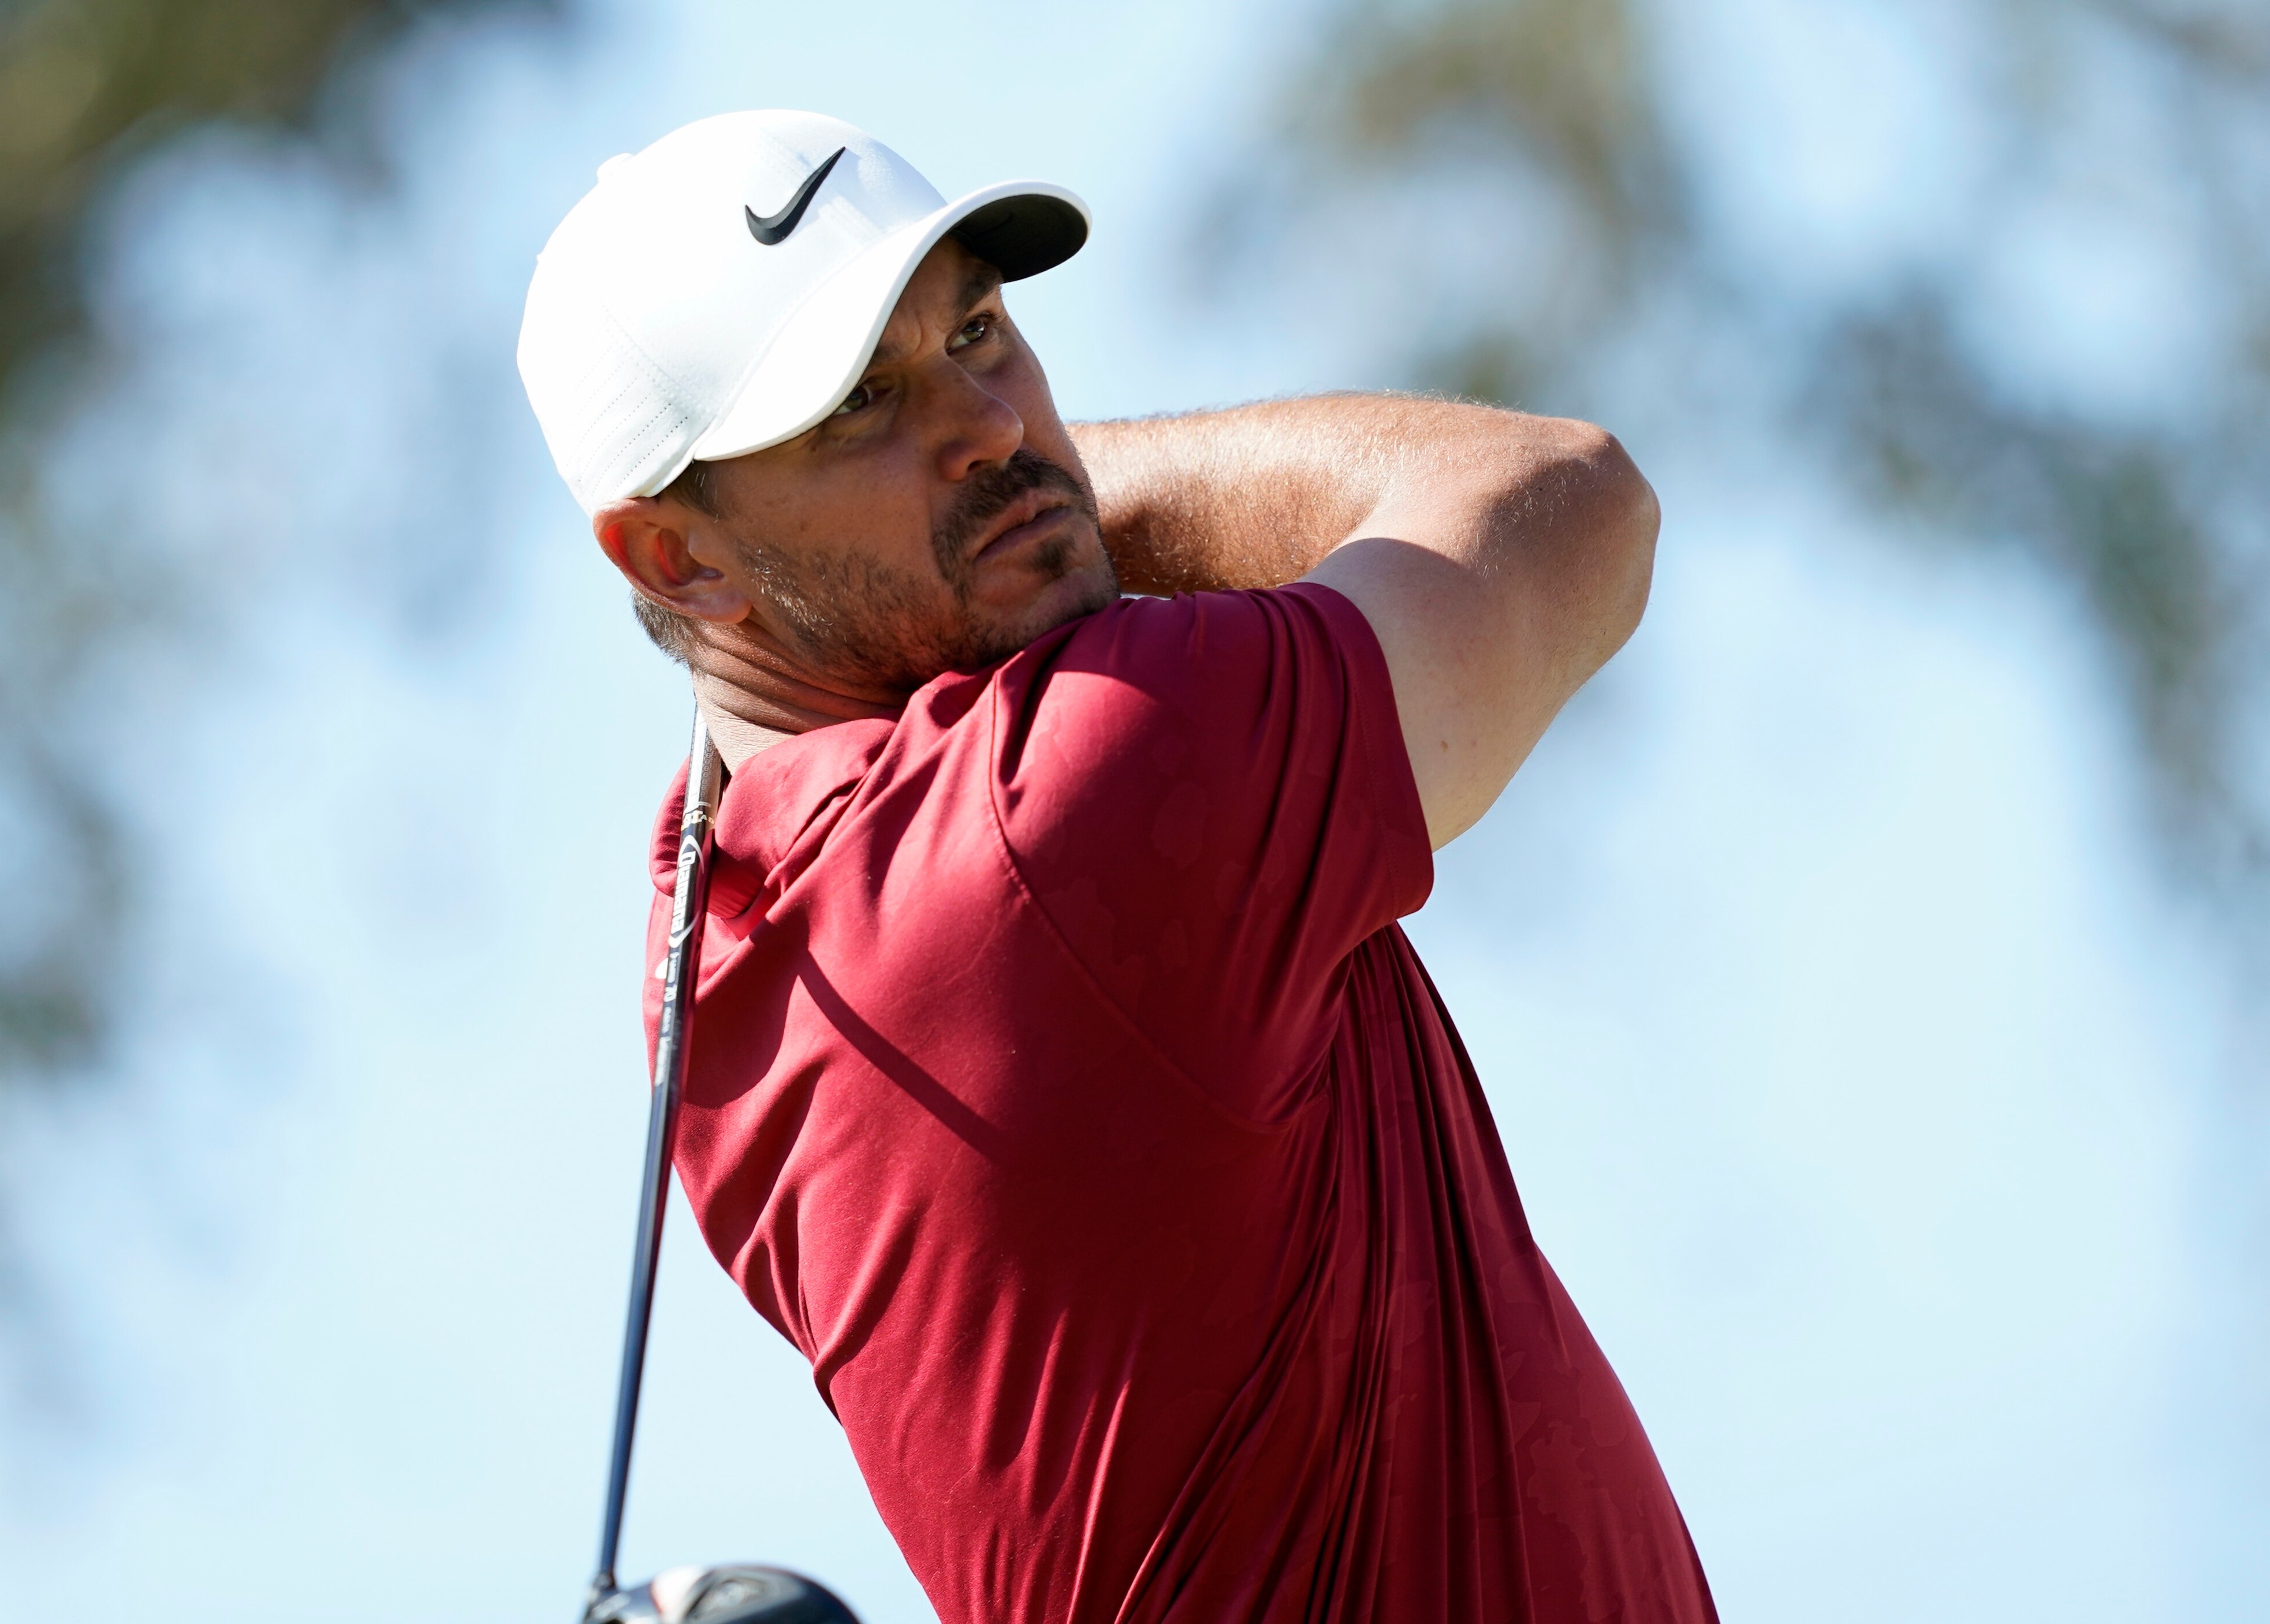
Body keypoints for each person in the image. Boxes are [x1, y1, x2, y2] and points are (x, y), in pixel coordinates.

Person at [519, 110, 1714, 1624]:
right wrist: (1058, 500)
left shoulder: (715, 953)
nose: (992, 425)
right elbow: (1568, 503)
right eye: (858, 405)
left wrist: (994, 508)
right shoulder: (1061, 810)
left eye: (979, 333)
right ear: (678, 559)